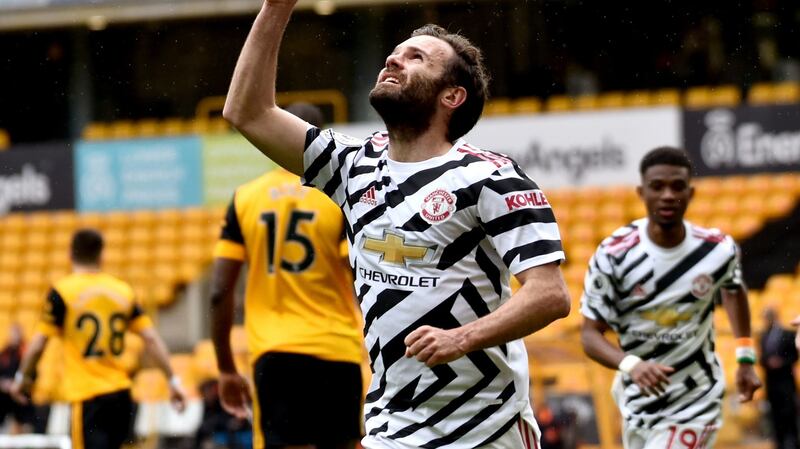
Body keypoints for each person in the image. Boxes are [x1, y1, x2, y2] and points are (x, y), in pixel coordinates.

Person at [222, 2, 571, 447]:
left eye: (416, 58)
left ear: (452, 96)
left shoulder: (491, 178)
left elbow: (550, 294)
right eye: (395, 52)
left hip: (487, 426)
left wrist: (461, 339)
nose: (393, 59)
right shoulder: (351, 166)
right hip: (393, 424)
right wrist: (276, 7)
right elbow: (247, 112)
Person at [580, 147, 761, 449]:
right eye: (657, 186)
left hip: (695, 398)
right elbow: (589, 335)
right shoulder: (614, 255)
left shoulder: (718, 250)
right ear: (641, 191)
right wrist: (631, 365)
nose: (667, 195)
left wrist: (745, 357)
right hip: (637, 398)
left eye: (677, 186)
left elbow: (733, 289)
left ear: (691, 193)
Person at [209, 102, 364, 449]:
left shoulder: (246, 197)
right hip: (336, 349)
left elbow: (220, 291)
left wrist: (225, 368)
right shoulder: (338, 196)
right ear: (322, 139)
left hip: (275, 352)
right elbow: (361, 277)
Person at [9, 229, 186, 449]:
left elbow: (38, 345)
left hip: (87, 397)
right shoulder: (123, 291)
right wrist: (173, 381)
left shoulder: (63, 292)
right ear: (102, 255)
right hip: (121, 396)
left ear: (70, 255)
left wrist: (21, 379)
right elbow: (150, 339)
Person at [760, 307, 799, 449]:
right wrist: (768, 362)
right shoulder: (764, 336)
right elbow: (761, 358)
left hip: (786, 384)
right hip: (772, 385)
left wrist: (781, 362)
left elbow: (794, 356)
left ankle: (794, 444)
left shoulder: (788, 334)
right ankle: (779, 444)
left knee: (790, 416)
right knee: (775, 418)